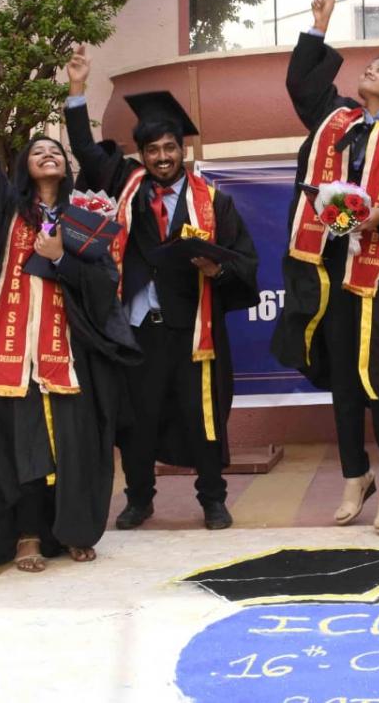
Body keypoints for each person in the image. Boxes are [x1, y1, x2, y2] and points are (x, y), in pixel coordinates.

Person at [0, 57, 141, 571]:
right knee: (20, 447)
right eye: (38, 150)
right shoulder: (7, 208)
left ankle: (73, 528)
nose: (48, 154)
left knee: (75, 446)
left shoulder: (84, 218)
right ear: (24, 167)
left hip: (68, 353)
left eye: (55, 150)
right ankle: (28, 535)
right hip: (8, 353)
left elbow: (102, 284)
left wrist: (62, 261)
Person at [271, 0, 379, 535]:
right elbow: (301, 84)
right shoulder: (338, 121)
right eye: (366, 66)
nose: (367, 71)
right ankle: (354, 475)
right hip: (328, 270)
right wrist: (318, 25)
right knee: (343, 380)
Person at [62, 50, 259, 532]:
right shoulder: (126, 184)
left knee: (202, 416)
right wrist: (76, 89)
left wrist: (218, 271)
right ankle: (139, 499)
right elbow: (87, 152)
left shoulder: (214, 201)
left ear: (181, 150)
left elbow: (246, 262)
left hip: (195, 331)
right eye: (153, 151)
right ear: (142, 154)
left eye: (170, 148)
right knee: (138, 420)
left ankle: (212, 498)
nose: (162, 158)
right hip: (137, 330)